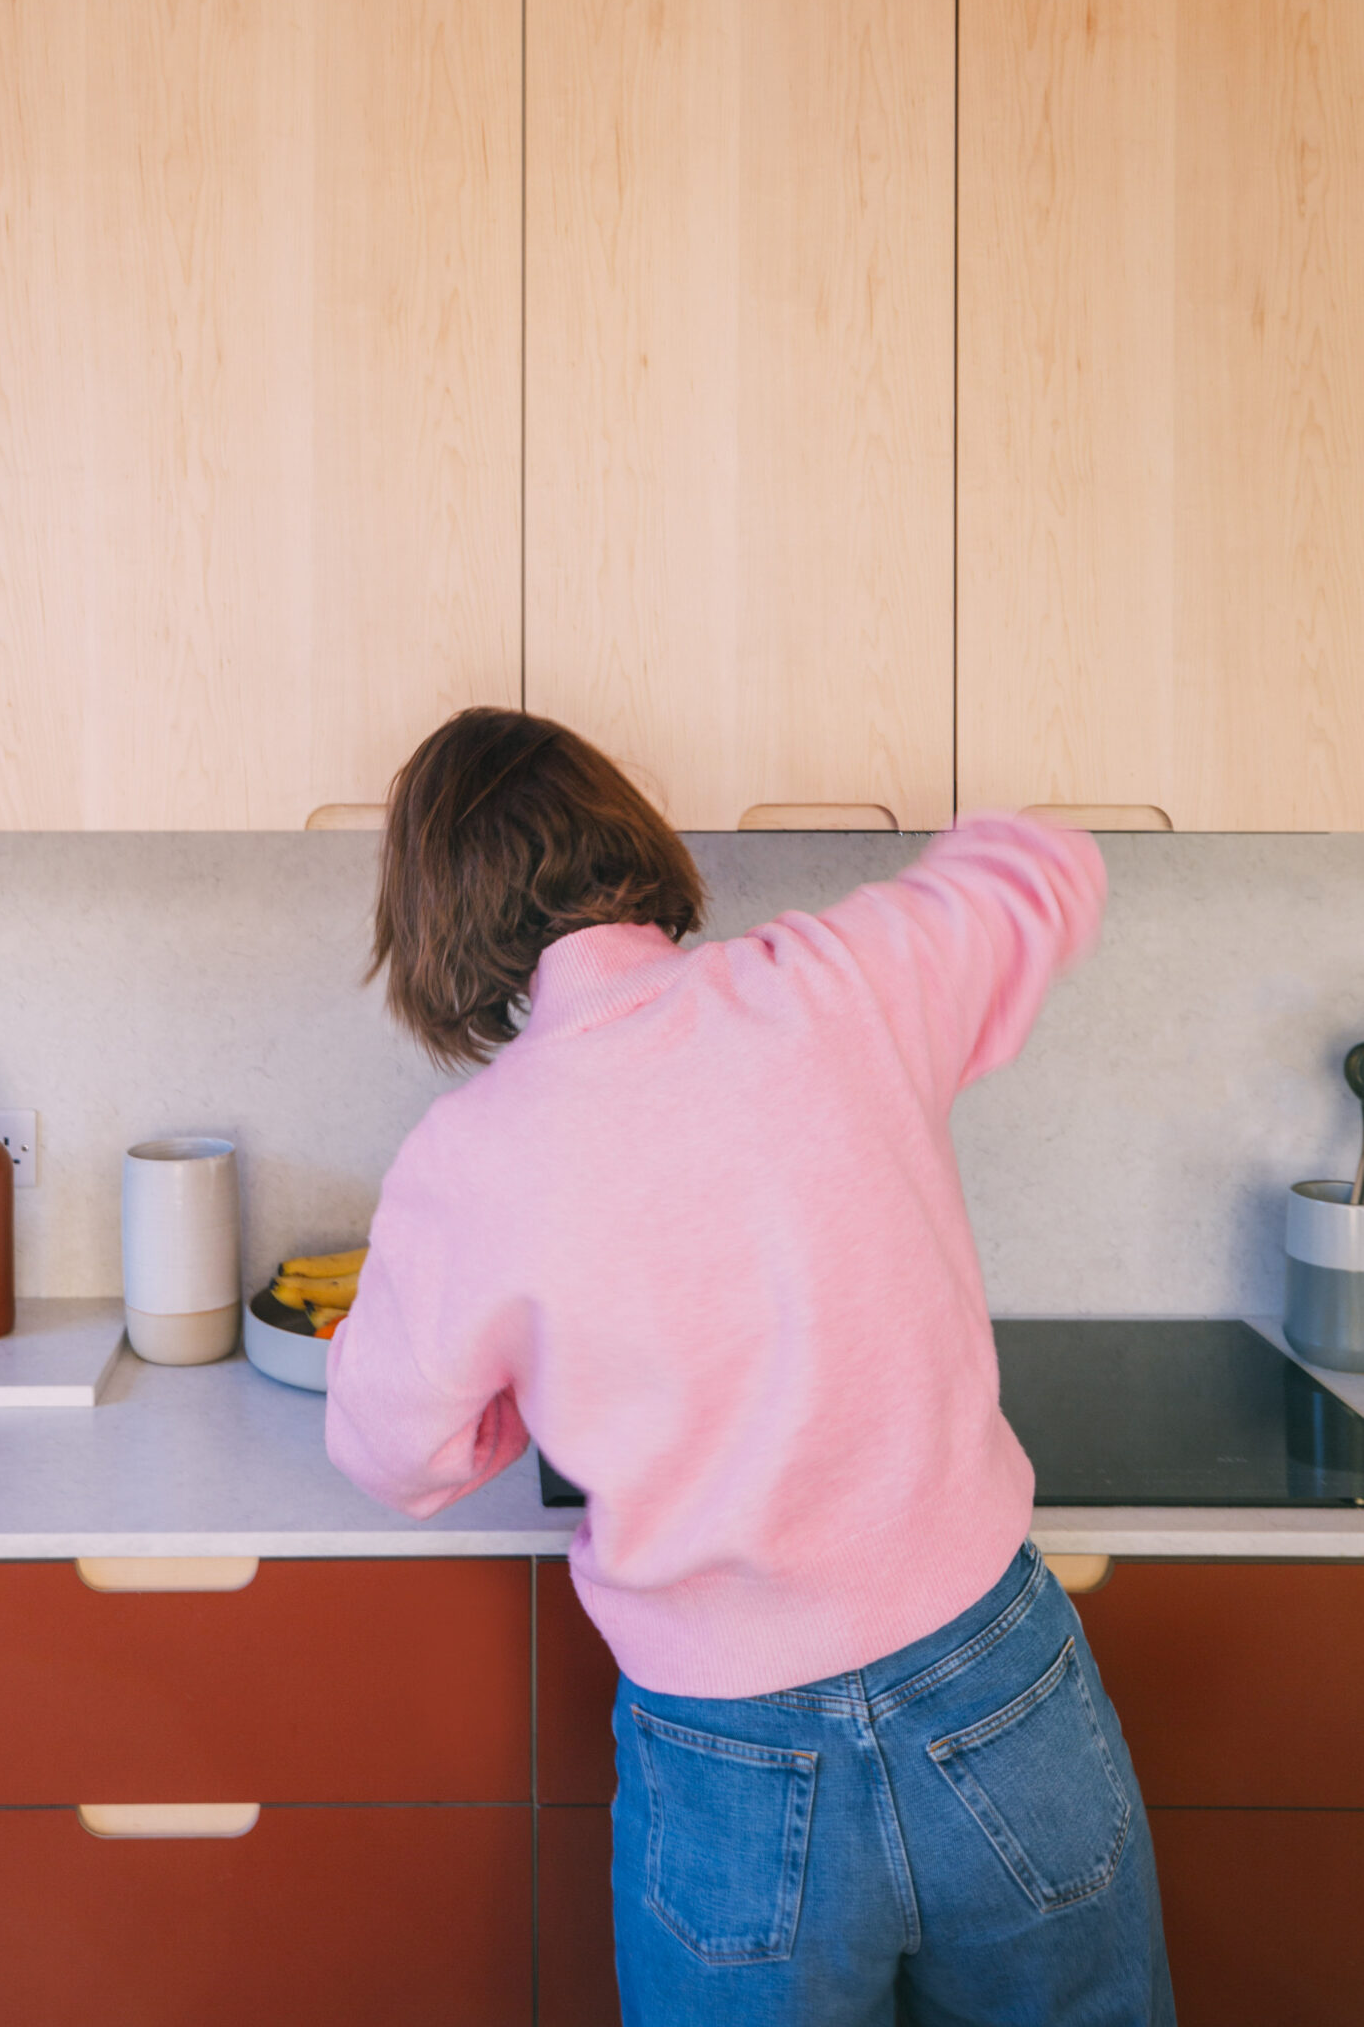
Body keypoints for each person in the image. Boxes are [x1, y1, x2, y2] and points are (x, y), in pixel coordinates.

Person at [325, 706, 1173, 2026]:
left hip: (729, 1761)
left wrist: (518, 1396)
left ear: (436, 919)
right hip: (998, 1691)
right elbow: (1046, 862)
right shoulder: (839, 978)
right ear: (630, 835)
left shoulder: (471, 1154)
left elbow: (393, 1452)